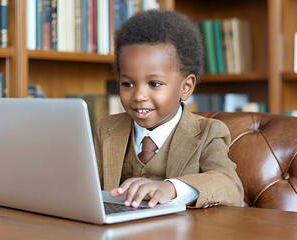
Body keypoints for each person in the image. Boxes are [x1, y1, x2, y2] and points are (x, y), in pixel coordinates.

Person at [93, 10, 244, 209]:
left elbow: (229, 184)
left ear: (186, 87)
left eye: (154, 84)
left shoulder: (209, 133)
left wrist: (171, 188)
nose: (138, 96)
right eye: (127, 84)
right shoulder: (106, 128)